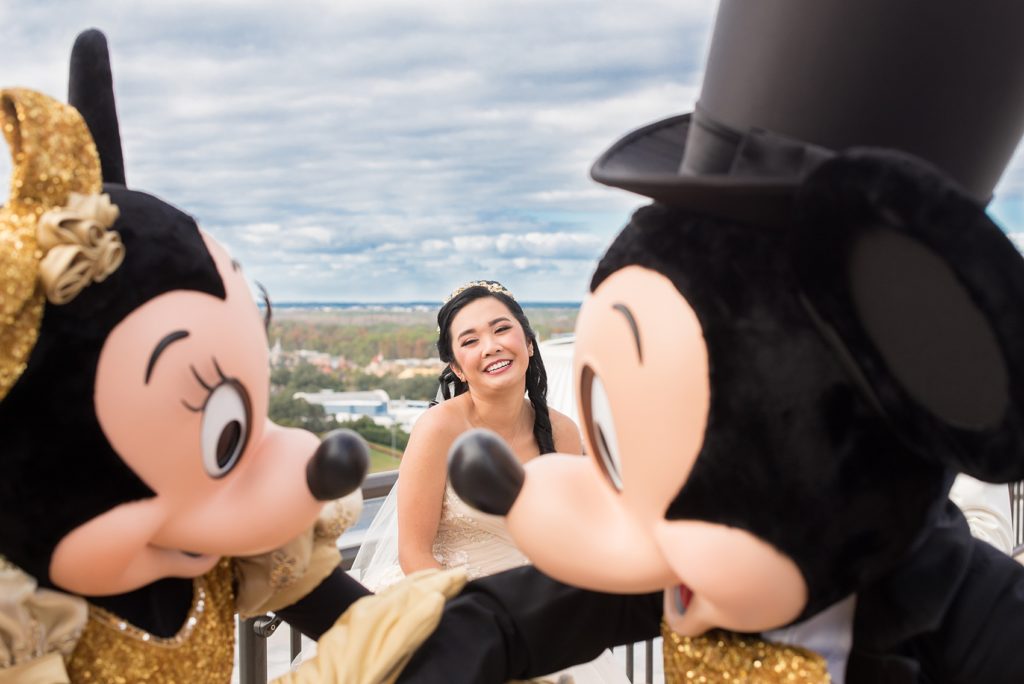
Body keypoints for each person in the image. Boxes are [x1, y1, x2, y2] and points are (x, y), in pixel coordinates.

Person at [351, 280, 627, 683]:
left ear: (529, 344)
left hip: (539, 614)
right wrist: (478, 628)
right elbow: (413, 551)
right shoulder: (437, 429)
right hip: (450, 612)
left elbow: (570, 545)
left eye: (501, 330)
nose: (491, 346)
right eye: (470, 340)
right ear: (457, 368)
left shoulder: (563, 432)